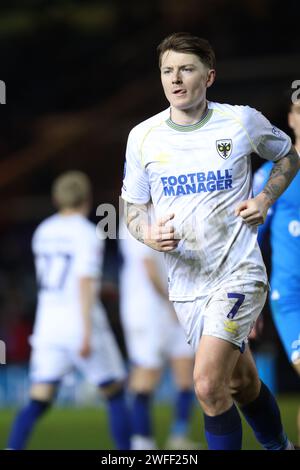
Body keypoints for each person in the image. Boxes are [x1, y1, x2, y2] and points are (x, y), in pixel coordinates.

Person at [121, 32, 299, 450]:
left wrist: (264, 197)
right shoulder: (143, 138)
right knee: (242, 384)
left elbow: (288, 155)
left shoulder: (240, 122)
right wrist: (146, 233)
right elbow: (131, 207)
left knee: (205, 384)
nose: (175, 79)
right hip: (187, 287)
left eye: (186, 69)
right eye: (167, 71)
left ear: (210, 76)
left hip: (239, 273)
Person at [7, 171, 131, 450]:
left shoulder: (43, 231)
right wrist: (86, 331)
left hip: (48, 326)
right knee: (115, 393)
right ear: (87, 198)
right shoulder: (87, 234)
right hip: (80, 324)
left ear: (56, 198)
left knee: (39, 399)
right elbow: (84, 281)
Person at [119, 221, 198, 450]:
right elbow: (148, 269)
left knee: (186, 374)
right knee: (146, 375)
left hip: (174, 306)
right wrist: (170, 302)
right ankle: (142, 442)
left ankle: (178, 438)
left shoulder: (170, 212)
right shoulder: (135, 222)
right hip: (147, 311)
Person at [253, 99, 300, 445]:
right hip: (292, 297)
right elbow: (250, 239)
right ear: (291, 118)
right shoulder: (273, 175)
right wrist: (251, 302)